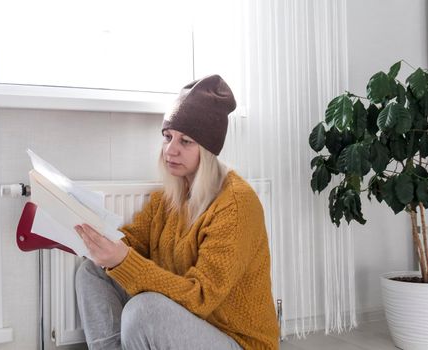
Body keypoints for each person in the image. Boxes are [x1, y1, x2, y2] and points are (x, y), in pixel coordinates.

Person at [74, 74, 279, 350]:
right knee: (92, 270)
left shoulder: (236, 204)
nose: (170, 150)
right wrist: (100, 241)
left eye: (185, 141)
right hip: (192, 327)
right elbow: (133, 240)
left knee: (143, 311)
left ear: (207, 149)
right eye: (168, 137)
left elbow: (200, 297)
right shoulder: (170, 195)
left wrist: (123, 260)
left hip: (236, 341)